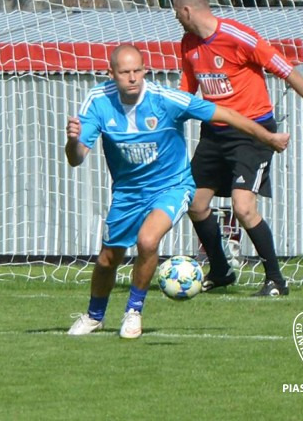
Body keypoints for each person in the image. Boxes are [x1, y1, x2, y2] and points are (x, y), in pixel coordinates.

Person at [65, 44, 289, 338]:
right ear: (111, 74)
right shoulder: (98, 101)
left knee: (147, 240)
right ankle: (94, 316)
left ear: (145, 71)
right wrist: (72, 141)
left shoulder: (166, 99)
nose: (132, 78)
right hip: (128, 193)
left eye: (137, 71)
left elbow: (225, 114)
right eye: (125, 72)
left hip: (172, 186)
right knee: (108, 258)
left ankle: (133, 312)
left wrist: (268, 137)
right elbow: (76, 158)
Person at [173, 0, 303, 297]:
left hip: (252, 133)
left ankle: (276, 281)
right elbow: (187, 92)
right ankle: (221, 271)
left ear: (187, 11)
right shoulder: (188, 43)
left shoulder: (239, 37)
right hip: (213, 133)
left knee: (243, 207)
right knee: (195, 203)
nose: (176, 19)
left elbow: (286, 70)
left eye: (176, 13)